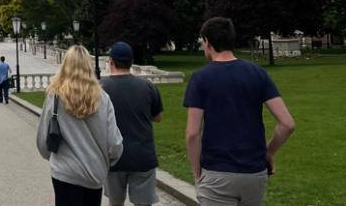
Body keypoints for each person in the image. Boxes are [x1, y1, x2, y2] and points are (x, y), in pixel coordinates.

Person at [185, 17, 296, 206]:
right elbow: (287, 124)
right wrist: (268, 152)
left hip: (217, 173)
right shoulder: (258, 73)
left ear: (207, 42)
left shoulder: (200, 78)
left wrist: (197, 174)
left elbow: (193, 134)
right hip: (254, 173)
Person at [37, 45, 123, 206]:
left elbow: (43, 140)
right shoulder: (103, 99)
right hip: (94, 173)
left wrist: (55, 159)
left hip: (65, 173)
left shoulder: (55, 97)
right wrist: (105, 162)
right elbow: (114, 144)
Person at [101, 42, 163, 206]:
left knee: (115, 202)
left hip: (113, 156)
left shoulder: (100, 87)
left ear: (111, 61)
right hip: (143, 155)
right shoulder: (148, 86)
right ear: (131, 62)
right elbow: (158, 117)